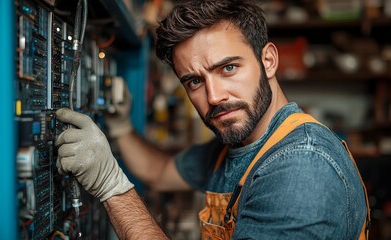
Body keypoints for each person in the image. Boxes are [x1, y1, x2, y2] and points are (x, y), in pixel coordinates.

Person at [55, 0, 370, 239]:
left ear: (268, 61)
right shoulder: (236, 144)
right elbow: (159, 171)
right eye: (194, 81)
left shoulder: (302, 170)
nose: (214, 95)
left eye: (228, 68)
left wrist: (111, 187)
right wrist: (121, 126)